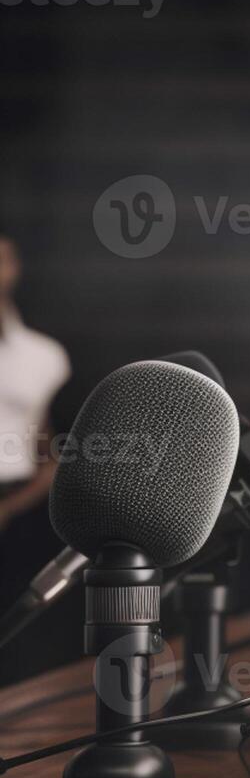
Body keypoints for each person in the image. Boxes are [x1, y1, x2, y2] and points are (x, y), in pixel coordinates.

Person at [0, 236, 75, 684]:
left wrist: (10, 508)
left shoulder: (43, 356)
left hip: (19, 502)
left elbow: (50, 447)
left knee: (18, 621)